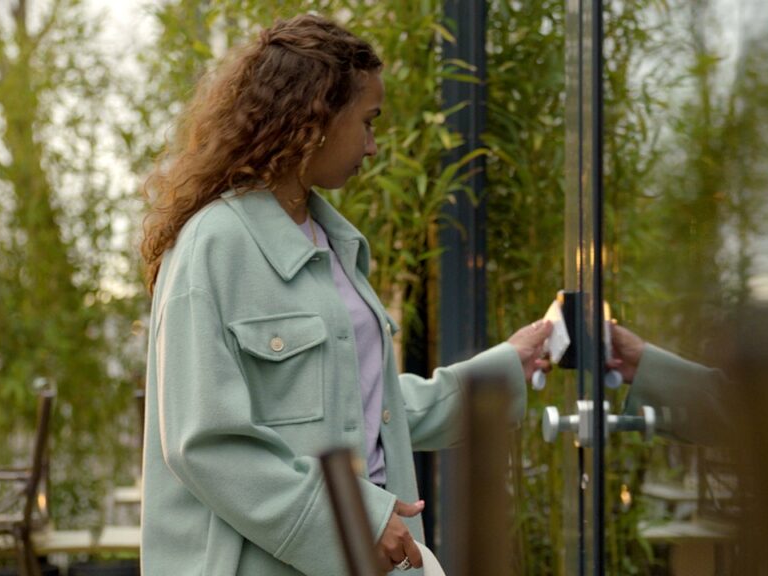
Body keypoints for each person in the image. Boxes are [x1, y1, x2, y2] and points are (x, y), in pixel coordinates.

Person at [136, 15, 551, 576]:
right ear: (315, 119)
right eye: (368, 122)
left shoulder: (333, 243)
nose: (374, 147)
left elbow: (366, 407)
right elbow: (203, 443)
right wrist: (356, 521)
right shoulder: (214, 246)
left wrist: (504, 372)